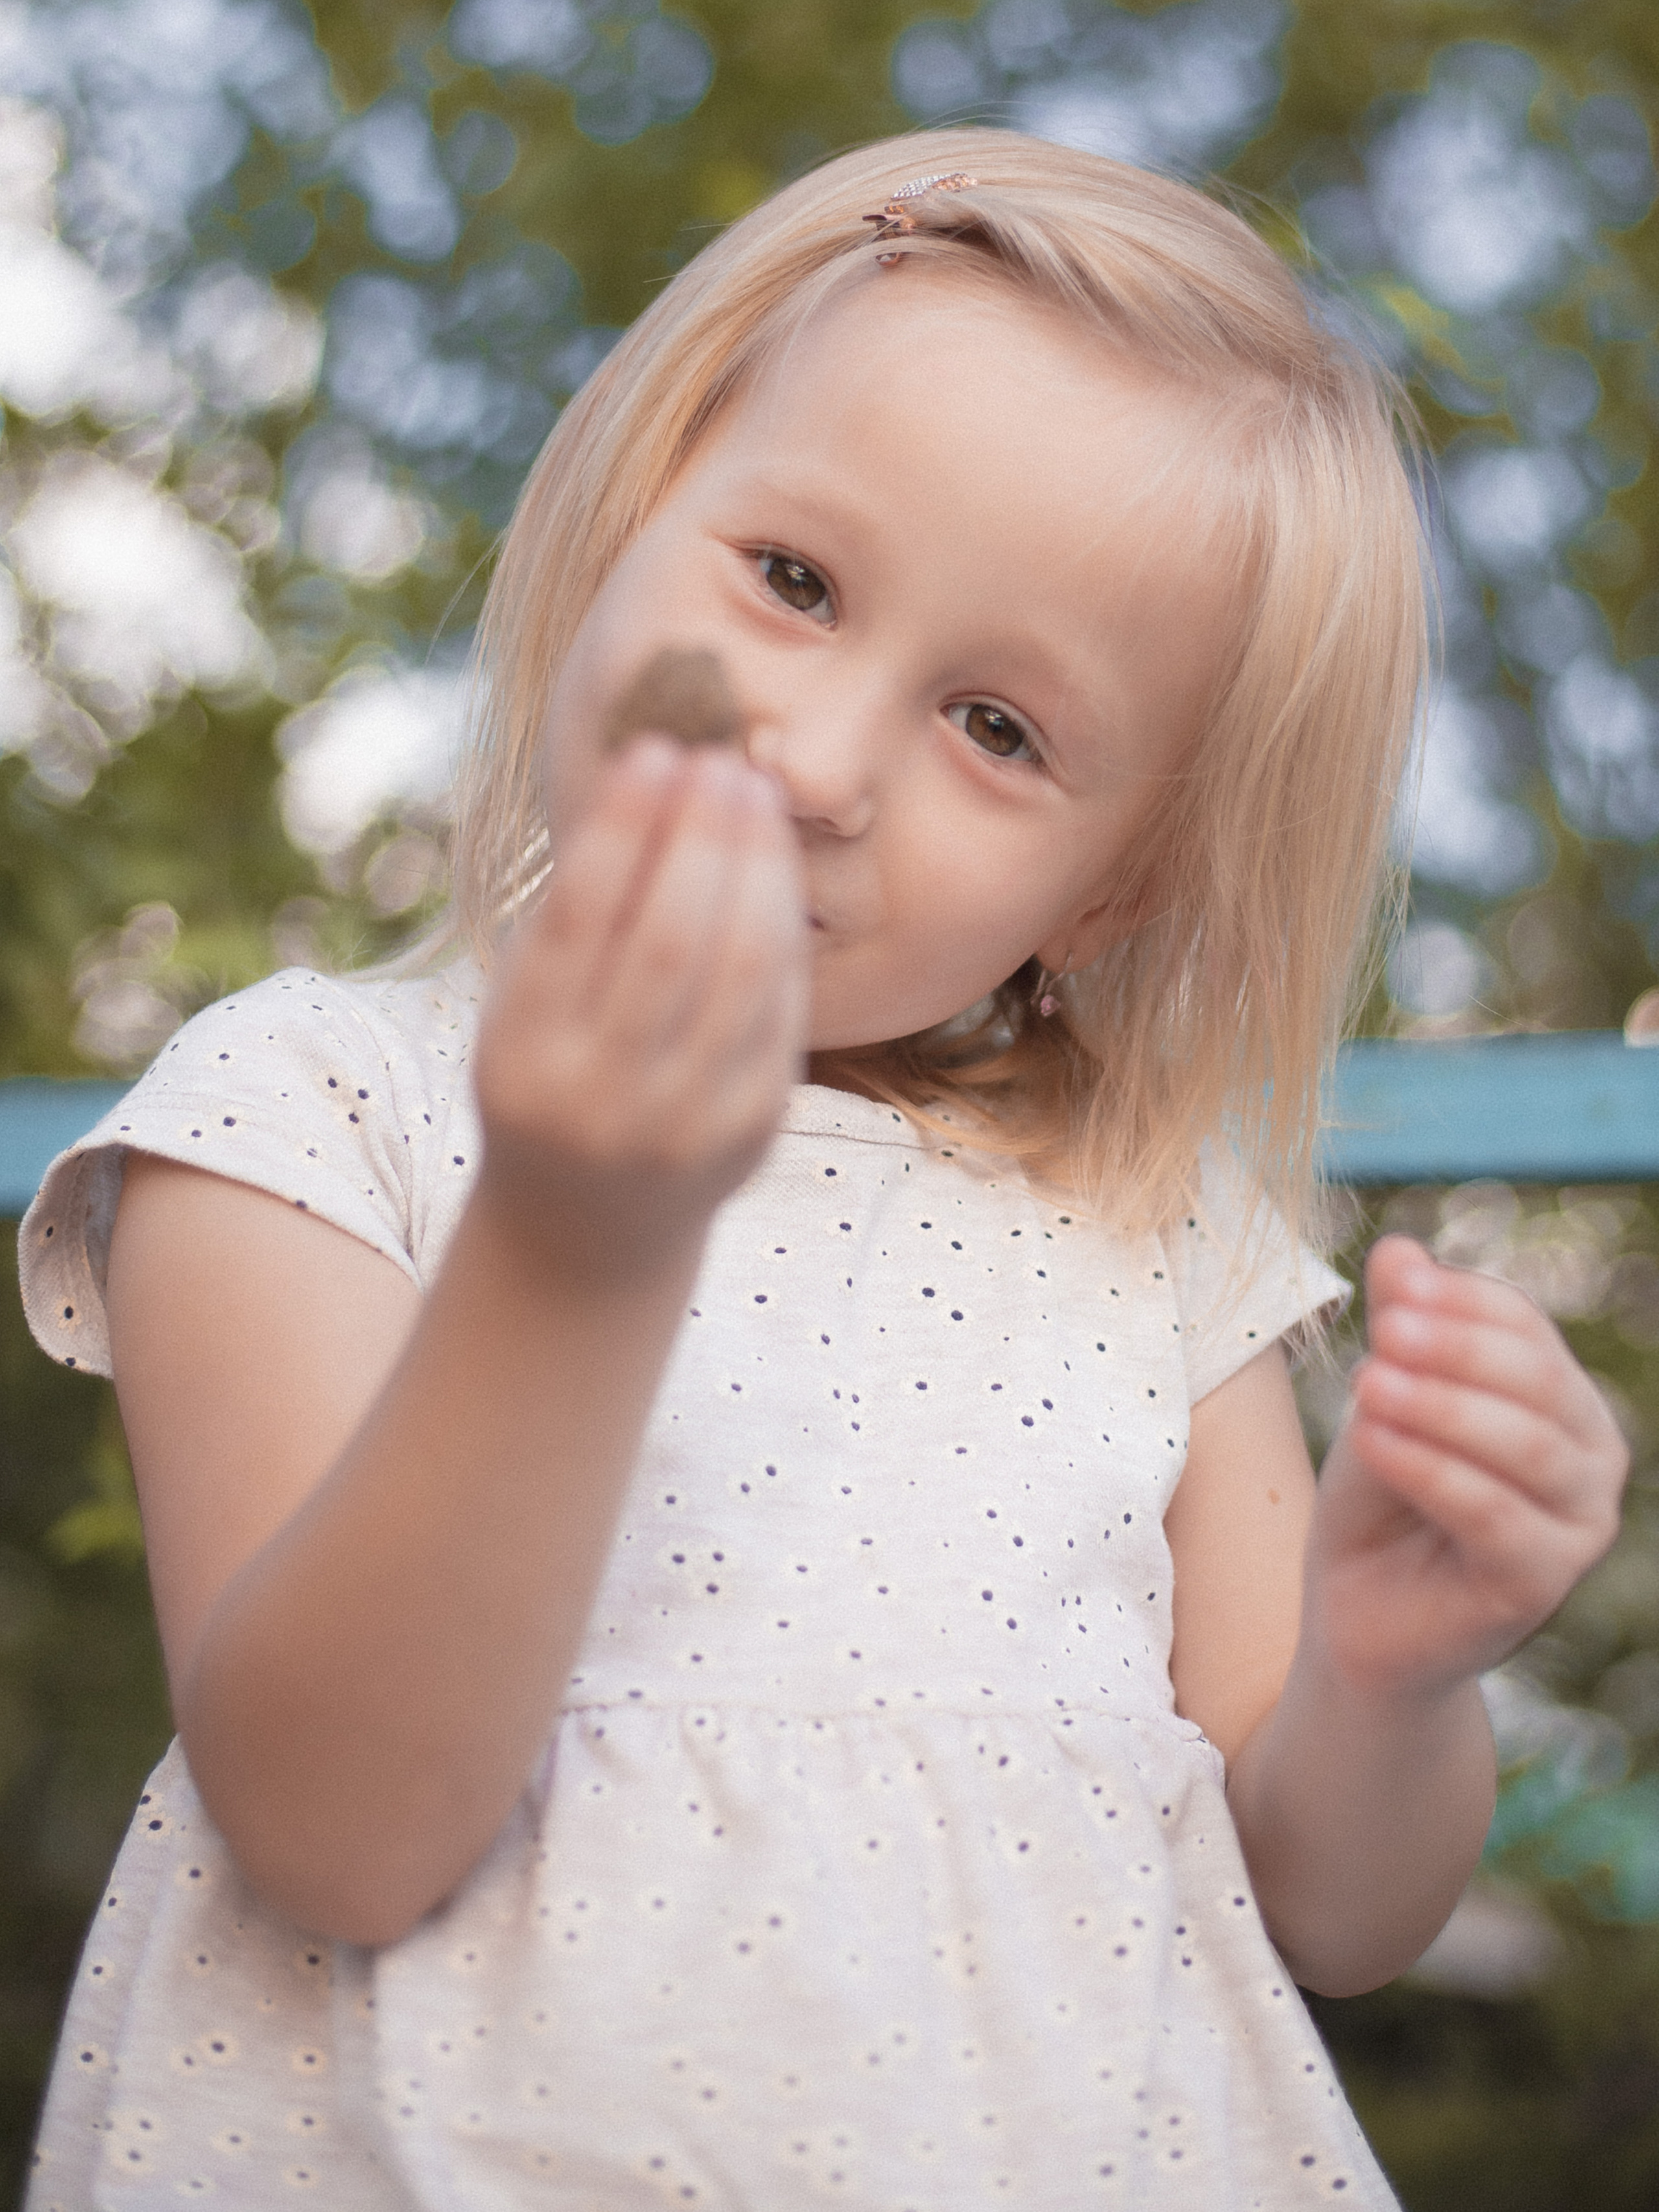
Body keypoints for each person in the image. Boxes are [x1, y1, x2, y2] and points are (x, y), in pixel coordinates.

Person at [19, 130, 1626, 2209]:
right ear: (631, 511)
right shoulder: (313, 1105)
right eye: (790, 580)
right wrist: (578, 1251)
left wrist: (1393, 1677)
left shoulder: (1147, 1238)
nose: (819, 758)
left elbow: (1340, 1908)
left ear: (1114, 894)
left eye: (997, 726)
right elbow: (335, 1829)